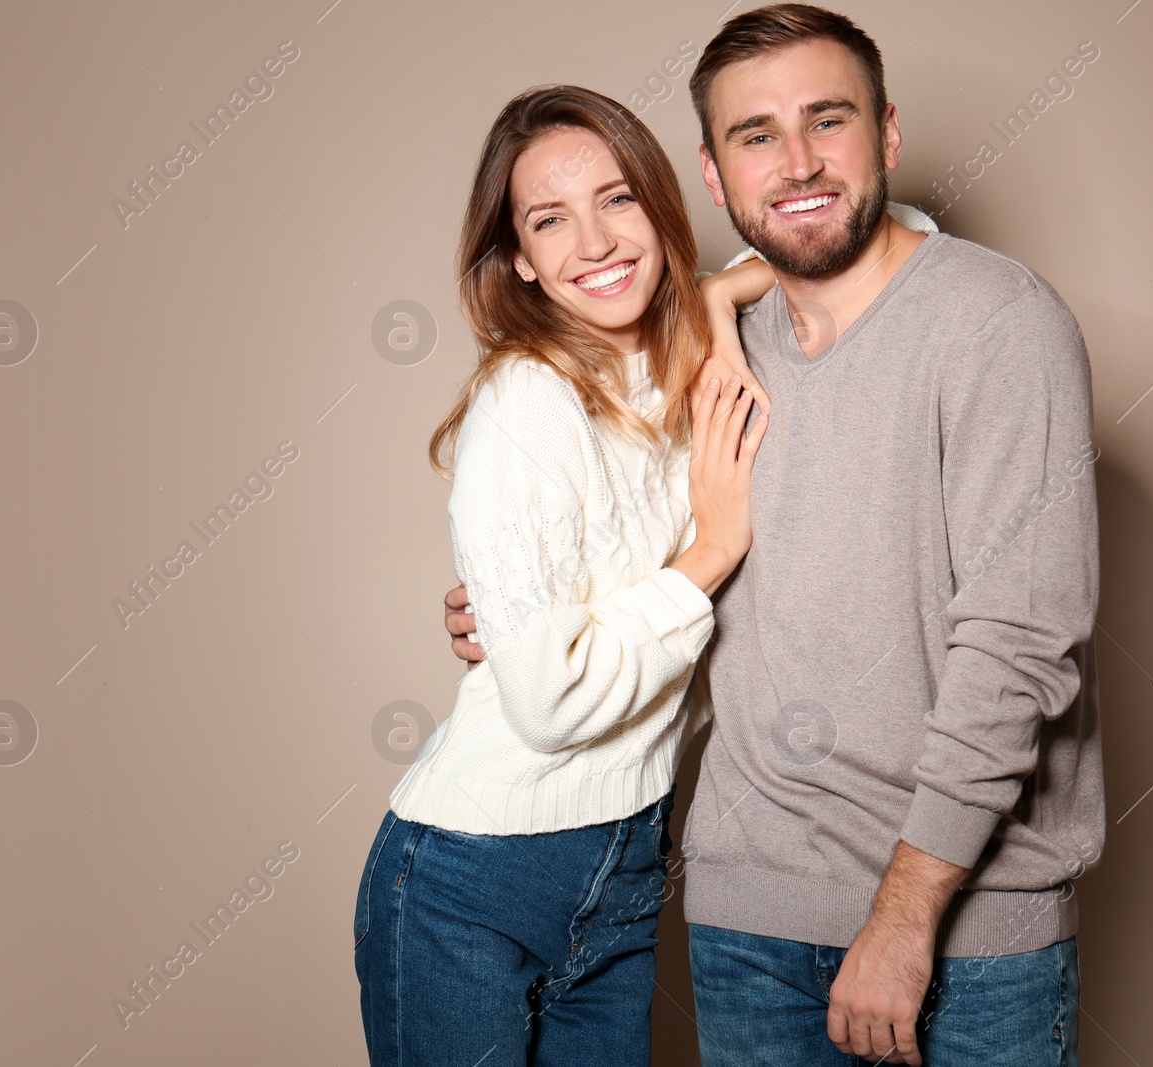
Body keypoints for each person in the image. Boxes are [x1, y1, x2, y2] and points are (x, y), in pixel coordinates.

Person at [444, 5, 1105, 1065]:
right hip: (748, 919)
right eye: (756, 135)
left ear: (885, 134)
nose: (796, 162)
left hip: (969, 928)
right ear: (712, 175)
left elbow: (1020, 646)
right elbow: (637, 547)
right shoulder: (711, 352)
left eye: (826, 120)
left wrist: (903, 916)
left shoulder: (996, 322)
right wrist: (529, 615)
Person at [352, 84, 772, 1066]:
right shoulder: (526, 402)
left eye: (618, 199)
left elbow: (894, 223)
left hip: (626, 861)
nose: (593, 241)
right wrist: (709, 552)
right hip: (470, 877)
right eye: (550, 219)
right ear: (520, 262)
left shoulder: (689, 363)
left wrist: (715, 295)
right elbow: (545, 703)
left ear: (663, 210)